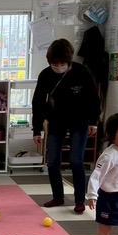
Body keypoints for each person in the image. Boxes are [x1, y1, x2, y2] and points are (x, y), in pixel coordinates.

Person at [32, 39, 101, 214]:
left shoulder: (81, 72)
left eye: (62, 64)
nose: (58, 68)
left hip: (80, 120)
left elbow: (93, 98)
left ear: (68, 61)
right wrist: (37, 129)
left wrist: (94, 121)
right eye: (54, 64)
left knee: (76, 160)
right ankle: (58, 197)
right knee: (52, 161)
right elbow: (38, 102)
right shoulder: (45, 75)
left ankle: (79, 200)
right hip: (56, 120)